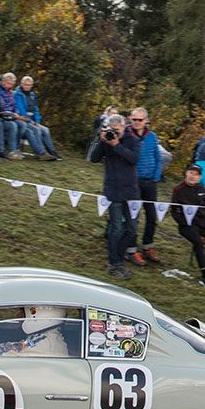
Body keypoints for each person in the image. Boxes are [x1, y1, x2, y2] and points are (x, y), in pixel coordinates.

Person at [89, 112, 141, 280]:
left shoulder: (133, 140)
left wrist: (117, 144)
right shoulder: (107, 141)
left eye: (117, 130)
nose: (114, 133)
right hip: (113, 190)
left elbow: (133, 159)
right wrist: (101, 141)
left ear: (124, 128)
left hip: (131, 191)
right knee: (116, 229)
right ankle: (114, 264)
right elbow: (93, 159)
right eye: (112, 130)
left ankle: (119, 259)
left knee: (131, 230)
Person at [171, 164, 205, 290]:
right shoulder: (178, 190)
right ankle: (204, 273)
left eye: (195, 174)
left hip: (203, 224)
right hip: (187, 225)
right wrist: (186, 222)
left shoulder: (201, 189)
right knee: (198, 243)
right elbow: (174, 212)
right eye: (190, 173)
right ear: (186, 173)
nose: (192, 176)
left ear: (199, 177)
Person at [127, 107, 162, 265]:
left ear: (146, 121)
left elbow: (157, 156)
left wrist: (155, 177)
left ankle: (148, 246)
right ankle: (131, 249)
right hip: (133, 181)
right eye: (134, 119)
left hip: (149, 181)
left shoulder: (152, 136)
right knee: (133, 217)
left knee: (151, 216)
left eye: (140, 120)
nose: (136, 123)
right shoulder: (126, 134)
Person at [14, 75, 60, 160]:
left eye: (29, 85)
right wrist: (31, 122)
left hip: (33, 120)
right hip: (24, 120)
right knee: (37, 130)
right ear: (21, 84)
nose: (27, 87)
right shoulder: (17, 94)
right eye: (25, 85)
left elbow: (35, 109)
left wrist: (37, 121)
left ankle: (52, 152)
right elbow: (21, 110)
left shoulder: (32, 95)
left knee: (46, 130)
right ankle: (41, 152)